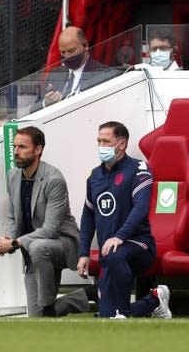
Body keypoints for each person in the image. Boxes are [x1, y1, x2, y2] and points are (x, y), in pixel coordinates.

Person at [77, 121, 171, 318]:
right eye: (98, 141)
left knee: (115, 252)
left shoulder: (138, 168)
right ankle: (154, 300)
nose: (100, 146)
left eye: (106, 141)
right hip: (109, 254)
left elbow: (141, 208)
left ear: (121, 144)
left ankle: (123, 313)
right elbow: (88, 215)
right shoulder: (94, 176)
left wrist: (119, 237)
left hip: (139, 245)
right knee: (107, 317)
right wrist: (83, 252)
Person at [0, 126, 81, 317]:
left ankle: (48, 305)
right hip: (33, 248)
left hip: (61, 243)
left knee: (38, 247)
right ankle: (81, 298)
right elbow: (12, 215)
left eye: (22, 147)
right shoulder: (13, 175)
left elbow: (50, 230)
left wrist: (15, 243)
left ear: (38, 149)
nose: (16, 152)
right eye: (15, 146)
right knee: (37, 319)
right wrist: (7, 239)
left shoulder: (54, 179)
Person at [31, 26, 120, 112]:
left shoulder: (104, 74)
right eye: (63, 52)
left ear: (85, 45)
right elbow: (33, 109)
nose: (67, 56)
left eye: (71, 51)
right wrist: (45, 103)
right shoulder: (55, 73)